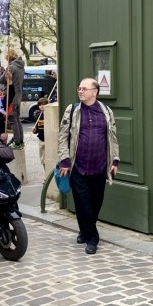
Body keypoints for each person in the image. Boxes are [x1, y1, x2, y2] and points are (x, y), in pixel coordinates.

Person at [57, 78, 119, 255]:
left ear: (95, 92)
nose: (80, 91)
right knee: (83, 203)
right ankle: (92, 238)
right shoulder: (73, 110)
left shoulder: (106, 111)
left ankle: (84, 231)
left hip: (100, 166)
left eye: (84, 89)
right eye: (79, 88)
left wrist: (115, 160)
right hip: (79, 166)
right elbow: (62, 136)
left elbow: (113, 138)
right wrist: (65, 160)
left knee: (96, 202)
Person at [0, 49, 25, 149]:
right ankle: (20, 141)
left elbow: (1, 80)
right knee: (17, 119)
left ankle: (17, 142)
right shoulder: (21, 67)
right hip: (18, 96)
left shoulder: (11, 67)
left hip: (11, 97)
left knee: (12, 120)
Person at [32, 97, 49, 166]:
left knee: (49, 159)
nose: (41, 106)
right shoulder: (38, 115)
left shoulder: (49, 114)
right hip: (41, 139)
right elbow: (36, 128)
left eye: (43, 104)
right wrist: (34, 130)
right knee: (43, 160)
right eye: (40, 105)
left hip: (49, 139)